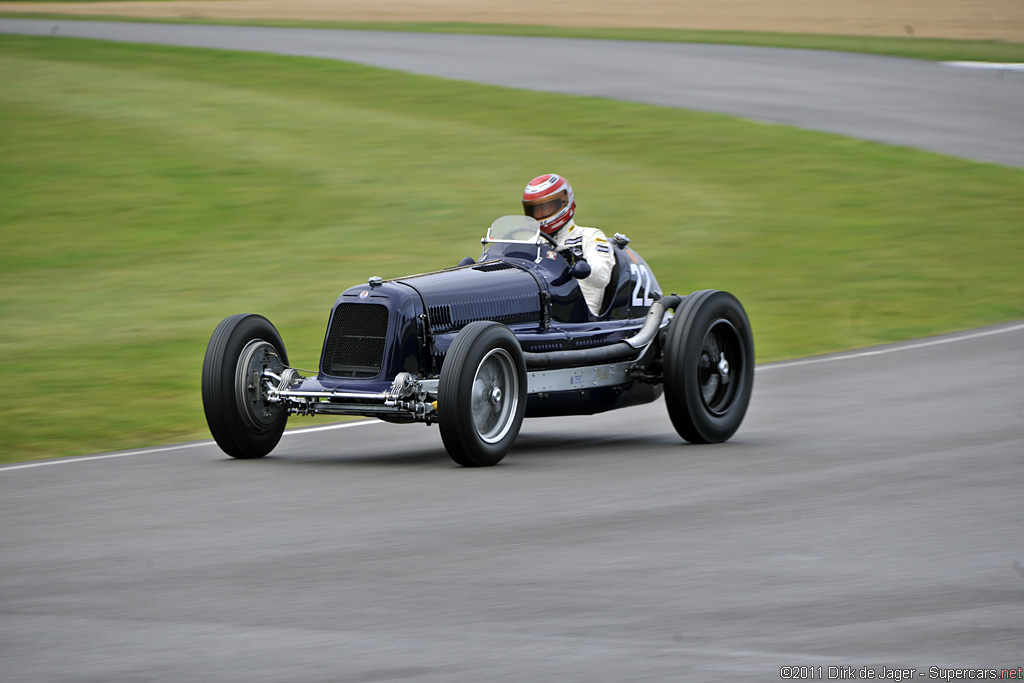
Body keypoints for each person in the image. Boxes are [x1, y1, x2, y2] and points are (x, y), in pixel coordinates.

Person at [522, 173, 616, 316]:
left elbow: (602, 277)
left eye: (546, 208)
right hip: (538, 311)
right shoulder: (531, 242)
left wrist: (574, 261)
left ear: (564, 202)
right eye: (535, 210)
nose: (540, 214)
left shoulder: (590, 236)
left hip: (579, 318)